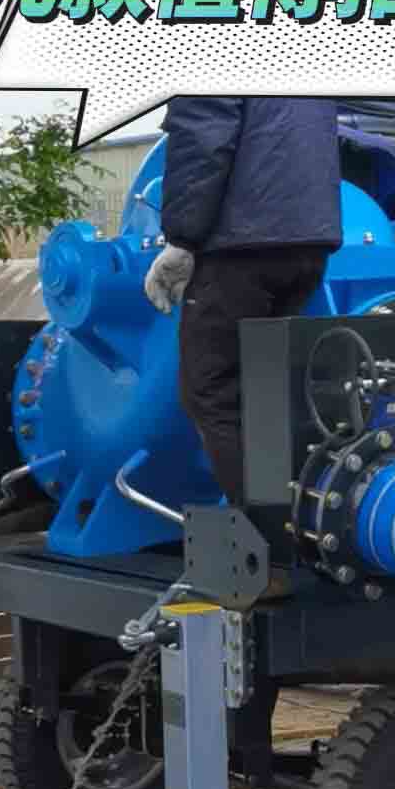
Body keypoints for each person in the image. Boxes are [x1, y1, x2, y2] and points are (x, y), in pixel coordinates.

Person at [143, 97, 343, 505]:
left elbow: (202, 139)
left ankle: (273, 533)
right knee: (267, 392)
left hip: (242, 247)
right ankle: (299, 515)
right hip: (309, 242)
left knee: (211, 392)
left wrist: (182, 239)